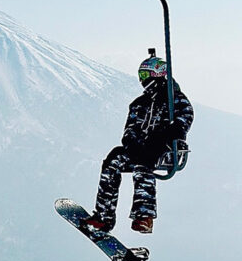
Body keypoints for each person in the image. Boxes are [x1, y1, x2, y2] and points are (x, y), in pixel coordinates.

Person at [82, 54, 194, 234]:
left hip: (165, 149)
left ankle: (144, 216)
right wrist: (132, 144)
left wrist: (170, 133)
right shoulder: (139, 103)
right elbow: (130, 129)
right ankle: (104, 216)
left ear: (157, 73)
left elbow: (185, 117)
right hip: (141, 147)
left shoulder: (174, 99)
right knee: (113, 160)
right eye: (140, 76)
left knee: (144, 163)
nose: (143, 81)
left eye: (145, 75)